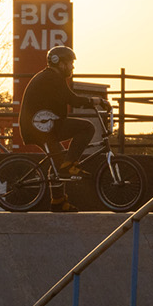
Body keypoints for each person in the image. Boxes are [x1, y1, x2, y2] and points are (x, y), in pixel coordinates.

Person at [19, 45, 107, 211]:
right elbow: (72, 100)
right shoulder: (51, 78)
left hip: (42, 126)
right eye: (70, 63)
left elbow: (67, 99)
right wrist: (96, 101)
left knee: (58, 161)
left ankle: (58, 202)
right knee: (87, 128)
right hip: (42, 127)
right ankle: (70, 165)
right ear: (58, 62)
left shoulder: (52, 77)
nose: (72, 67)